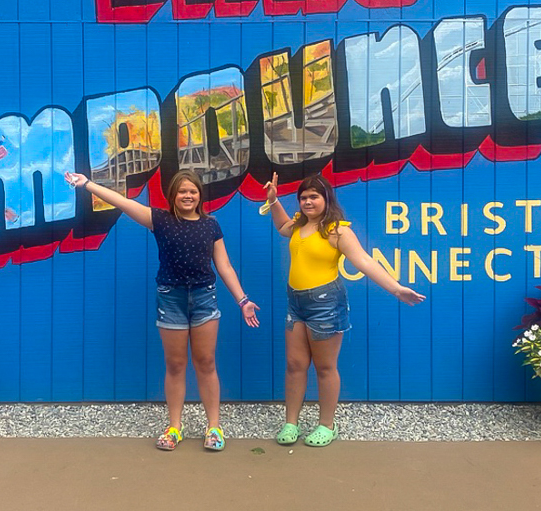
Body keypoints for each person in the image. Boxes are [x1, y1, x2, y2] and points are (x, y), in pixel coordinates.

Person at [65, 169, 259, 452]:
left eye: (192, 191)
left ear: (199, 195)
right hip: (171, 301)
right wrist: (88, 185)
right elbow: (121, 201)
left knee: (206, 363)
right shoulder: (160, 220)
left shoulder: (211, 225)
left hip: (205, 299)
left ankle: (214, 426)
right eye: (182, 191)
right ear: (173, 196)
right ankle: (174, 427)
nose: (188, 196)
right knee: (176, 365)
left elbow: (224, 266)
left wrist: (243, 300)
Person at [261, 172, 425, 447]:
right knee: (295, 365)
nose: (307, 202)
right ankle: (291, 422)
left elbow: (364, 261)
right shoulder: (299, 225)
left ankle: (327, 425)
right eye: (303, 198)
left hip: (325, 304)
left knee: (325, 367)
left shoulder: (338, 230)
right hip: (296, 303)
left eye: (313, 197)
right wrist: (275, 201)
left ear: (326, 198)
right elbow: (281, 227)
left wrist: (396, 288)